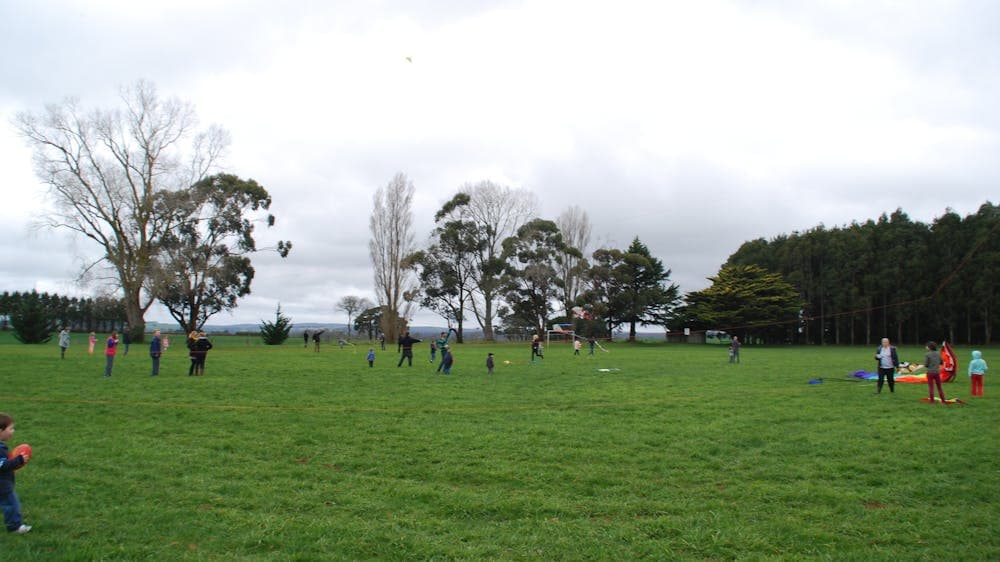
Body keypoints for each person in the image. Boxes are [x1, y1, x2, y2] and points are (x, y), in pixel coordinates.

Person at [0, 412, 31, 534]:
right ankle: (14, 527)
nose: (13, 431)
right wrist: (18, 460)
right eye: (10, 429)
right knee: (11, 504)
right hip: (2, 485)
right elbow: (2, 465)